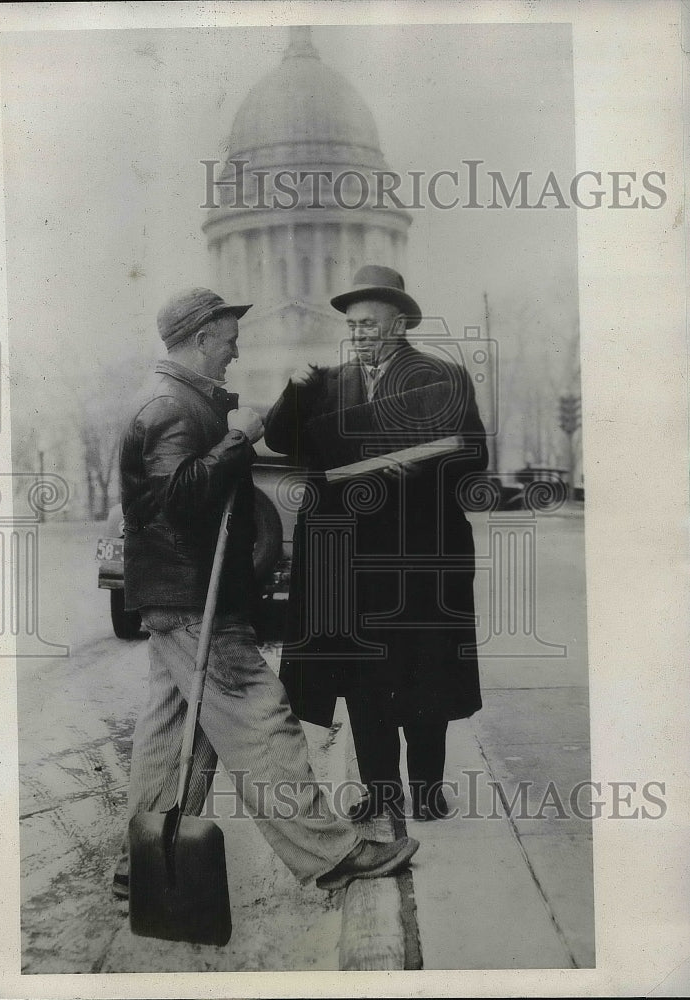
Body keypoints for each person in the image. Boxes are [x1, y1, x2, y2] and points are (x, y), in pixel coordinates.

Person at [113, 285, 418, 900]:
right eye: (227, 341)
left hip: (181, 595)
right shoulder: (171, 407)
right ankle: (332, 853)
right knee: (263, 721)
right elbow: (178, 498)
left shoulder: (181, 399)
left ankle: (141, 865)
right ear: (200, 340)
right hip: (197, 599)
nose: (233, 351)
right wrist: (238, 437)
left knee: (178, 730)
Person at [264, 265, 488, 822]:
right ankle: (381, 791)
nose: (359, 332)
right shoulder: (325, 383)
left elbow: (472, 458)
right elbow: (276, 438)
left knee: (424, 672)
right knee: (363, 679)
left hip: (418, 557)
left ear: (400, 323)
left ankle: (430, 789)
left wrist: (399, 468)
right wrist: (292, 388)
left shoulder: (441, 378)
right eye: (353, 324)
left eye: (369, 323)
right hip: (351, 565)